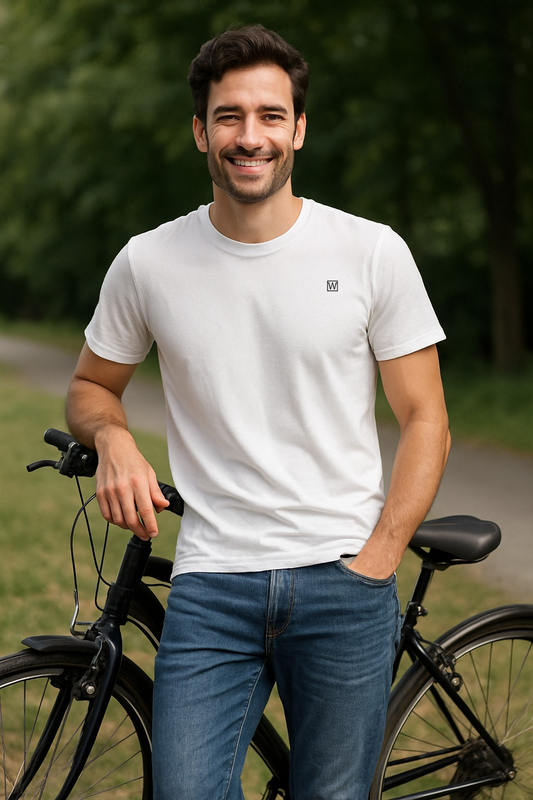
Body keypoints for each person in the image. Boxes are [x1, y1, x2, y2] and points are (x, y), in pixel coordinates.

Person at [66, 24, 450, 800]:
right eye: (230, 116)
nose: (250, 136)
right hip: (213, 582)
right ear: (199, 130)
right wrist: (114, 440)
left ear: (298, 130)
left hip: (344, 577)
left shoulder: (369, 251)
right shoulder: (149, 260)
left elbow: (425, 419)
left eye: (270, 116)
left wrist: (379, 553)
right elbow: (90, 385)